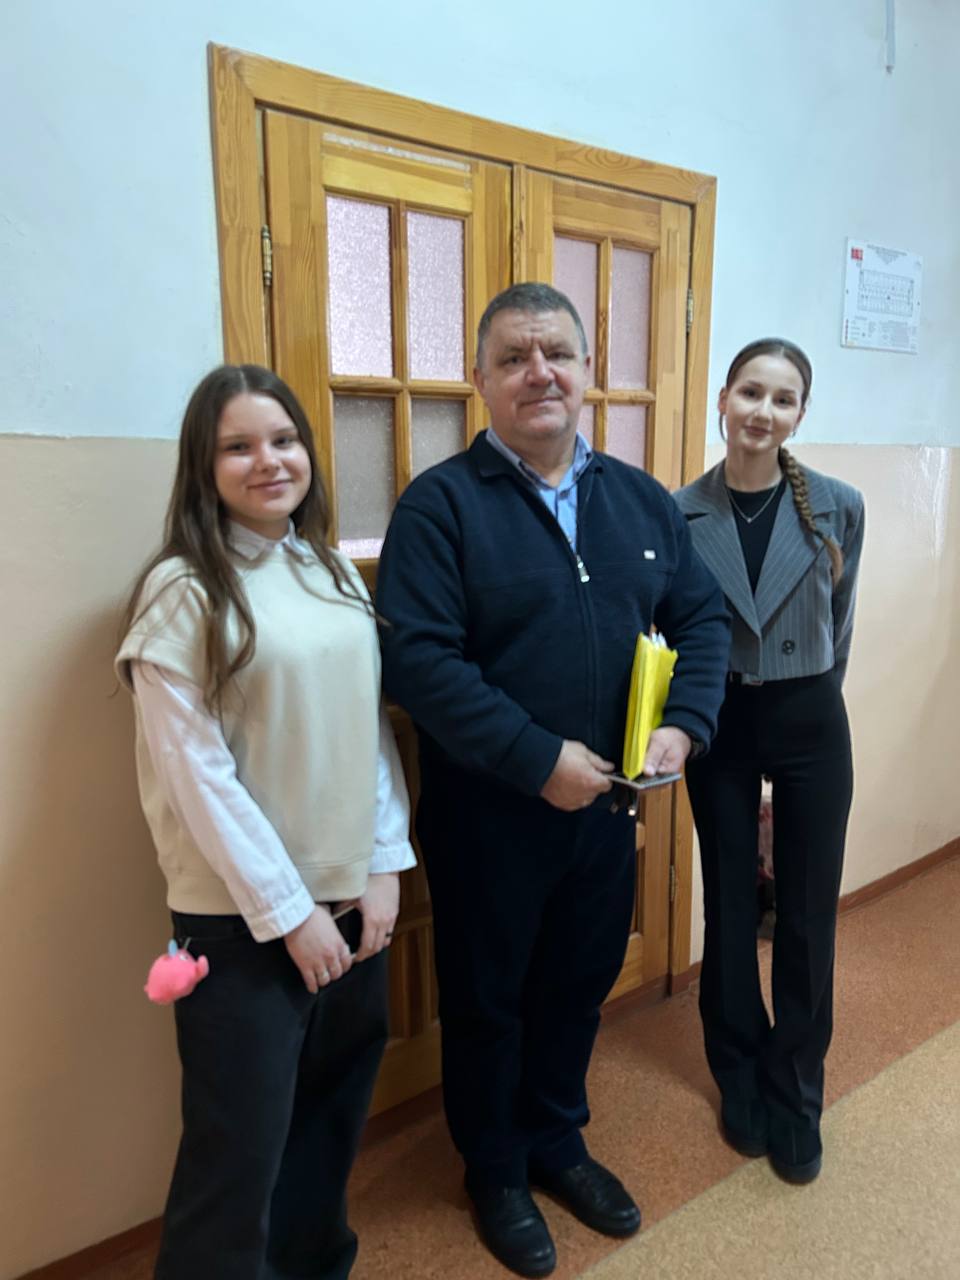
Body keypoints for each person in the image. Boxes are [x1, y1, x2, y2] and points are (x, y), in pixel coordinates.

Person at [376, 283, 730, 1278]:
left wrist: (684, 725)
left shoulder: (640, 500)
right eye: (515, 357)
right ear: (480, 380)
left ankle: (556, 1142)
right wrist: (537, 759)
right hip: (488, 817)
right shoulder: (440, 507)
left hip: (607, 811)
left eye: (558, 354)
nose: (540, 373)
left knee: (577, 987)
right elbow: (420, 663)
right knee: (487, 999)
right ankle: (494, 1168)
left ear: (585, 372)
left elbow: (702, 618)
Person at [116, 364, 415, 1280]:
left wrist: (384, 863)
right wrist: (290, 914)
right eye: (238, 447)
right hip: (241, 922)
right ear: (202, 468)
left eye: (283, 440)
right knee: (236, 1155)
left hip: (351, 900)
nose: (268, 461)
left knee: (328, 1129)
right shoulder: (183, 590)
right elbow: (198, 777)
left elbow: (367, 727)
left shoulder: (329, 568)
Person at [675, 338, 865, 1186]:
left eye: (783, 399)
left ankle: (797, 1092)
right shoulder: (678, 511)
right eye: (750, 392)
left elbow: (840, 620)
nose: (763, 411)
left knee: (807, 915)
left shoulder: (838, 505)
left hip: (810, 717)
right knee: (727, 904)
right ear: (723, 400)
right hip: (719, 719)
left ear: (799, 415)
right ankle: (739, 1074)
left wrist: (810, 698)